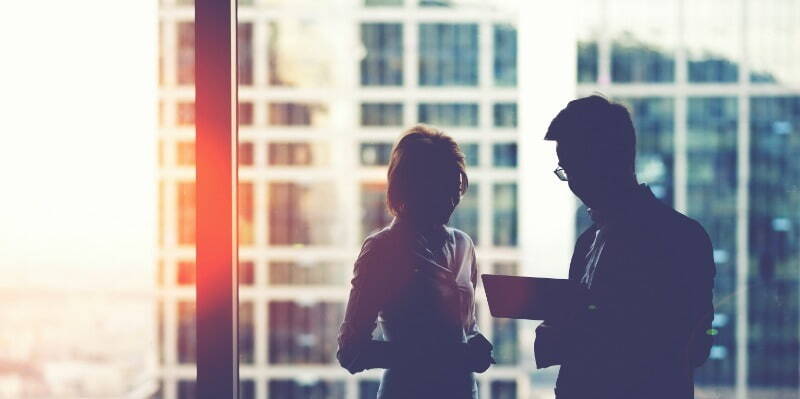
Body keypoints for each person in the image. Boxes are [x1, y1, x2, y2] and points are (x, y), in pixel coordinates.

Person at [534, 95, 716, 398]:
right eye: (565, 171)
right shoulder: (680, 236)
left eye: (573, 168)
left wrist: (577, 336)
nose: (572, 183)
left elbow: (694, 345)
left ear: (606, 159)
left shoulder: (678, 239)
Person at [337, 125, 494, 399]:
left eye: (455, 189)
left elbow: (465, 326)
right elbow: (351, 352)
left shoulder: (463, 245)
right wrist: (446, 354)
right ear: (410, 189)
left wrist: (476, 342)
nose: (451, 200)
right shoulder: (381, 250)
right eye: (440, 189)